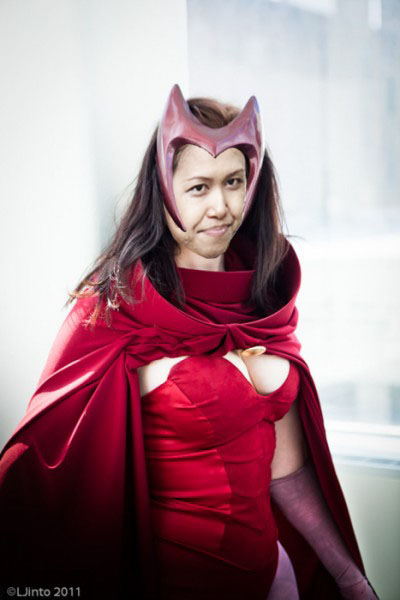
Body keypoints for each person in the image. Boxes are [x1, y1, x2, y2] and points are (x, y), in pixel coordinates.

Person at [0, 84, 379, 600]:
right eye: (199, 187)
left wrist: (351, 579)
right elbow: (47, 461)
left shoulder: (264, 301)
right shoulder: (114, 308)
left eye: (234, 182)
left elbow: (286, 472)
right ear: (164, 188)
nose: (221, 206)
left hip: (275, 581)